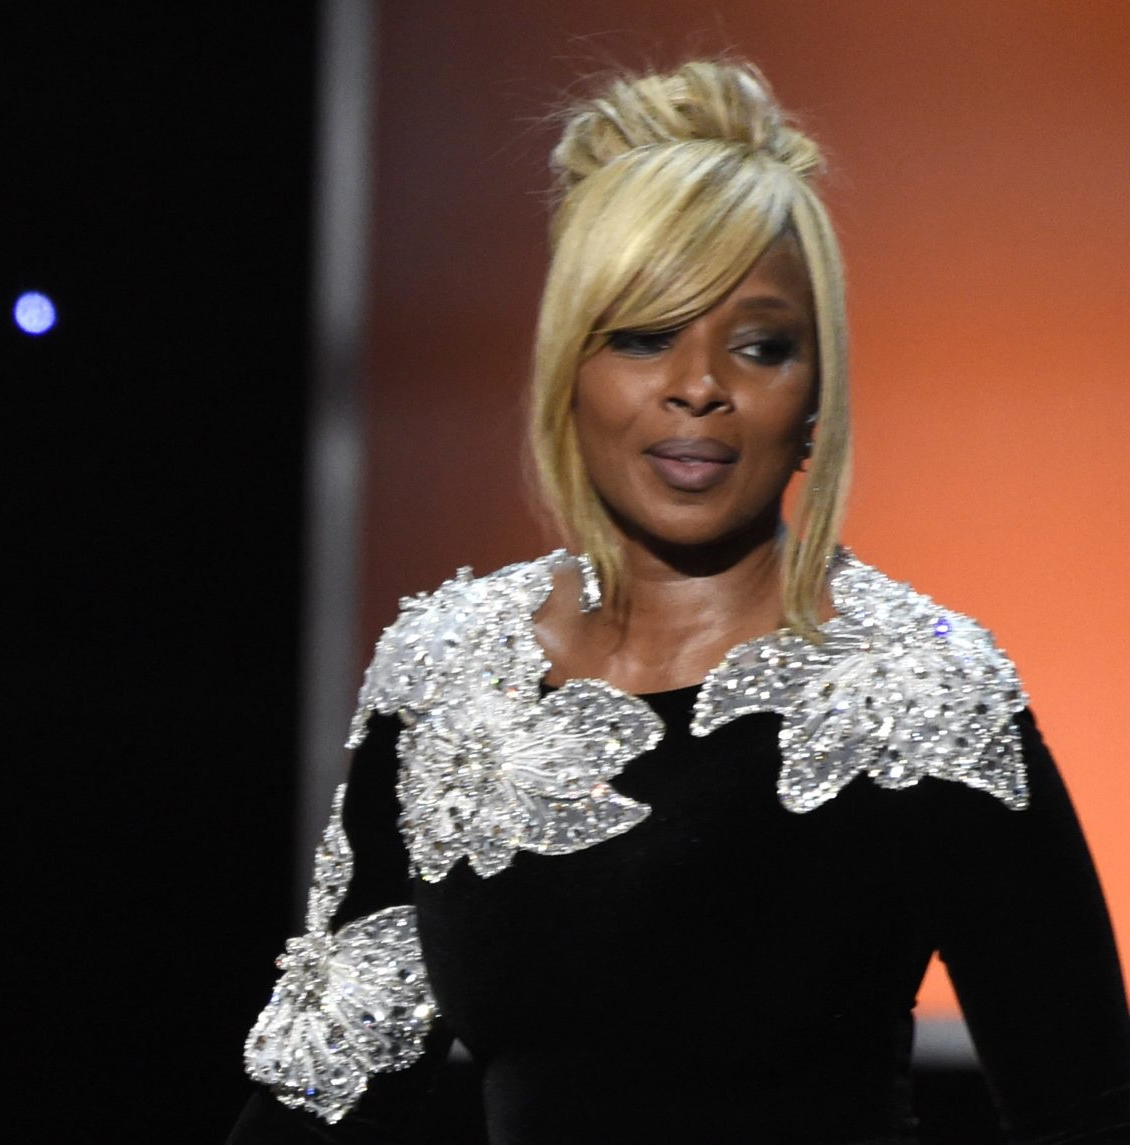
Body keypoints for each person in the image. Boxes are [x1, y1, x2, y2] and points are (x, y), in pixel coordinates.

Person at [231, 60, 1130, 1143]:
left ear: (817, 392)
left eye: (759, 346)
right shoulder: (446, 675)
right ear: (568, 368)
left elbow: (1085, 1106)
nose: (698, 385)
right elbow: (327, 1096)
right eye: (645, 333)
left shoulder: (923, 693)